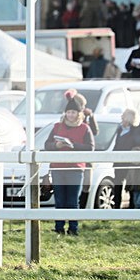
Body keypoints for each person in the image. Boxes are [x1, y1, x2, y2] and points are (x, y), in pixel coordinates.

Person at [44, 91, 95, 235]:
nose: (71, 115)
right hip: (57, 167)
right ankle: (58, 228)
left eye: (73, 112)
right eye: (69, 112)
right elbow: (47, 144)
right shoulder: (57, 127)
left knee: (73, 200)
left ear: (78, 114)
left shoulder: (85, 128)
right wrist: (56, 146)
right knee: (59, 200)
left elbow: (90, 147)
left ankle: (73, 228)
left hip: (75, 168)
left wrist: (74, 145)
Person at [111, 109, 138, 209]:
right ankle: (116, 206)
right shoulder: (119, 129)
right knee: (117, 184)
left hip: (130, 161)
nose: (122, 118)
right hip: (119, 161)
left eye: (124, 116)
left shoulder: (135, 130)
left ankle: (132, 207)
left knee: (130, 184)